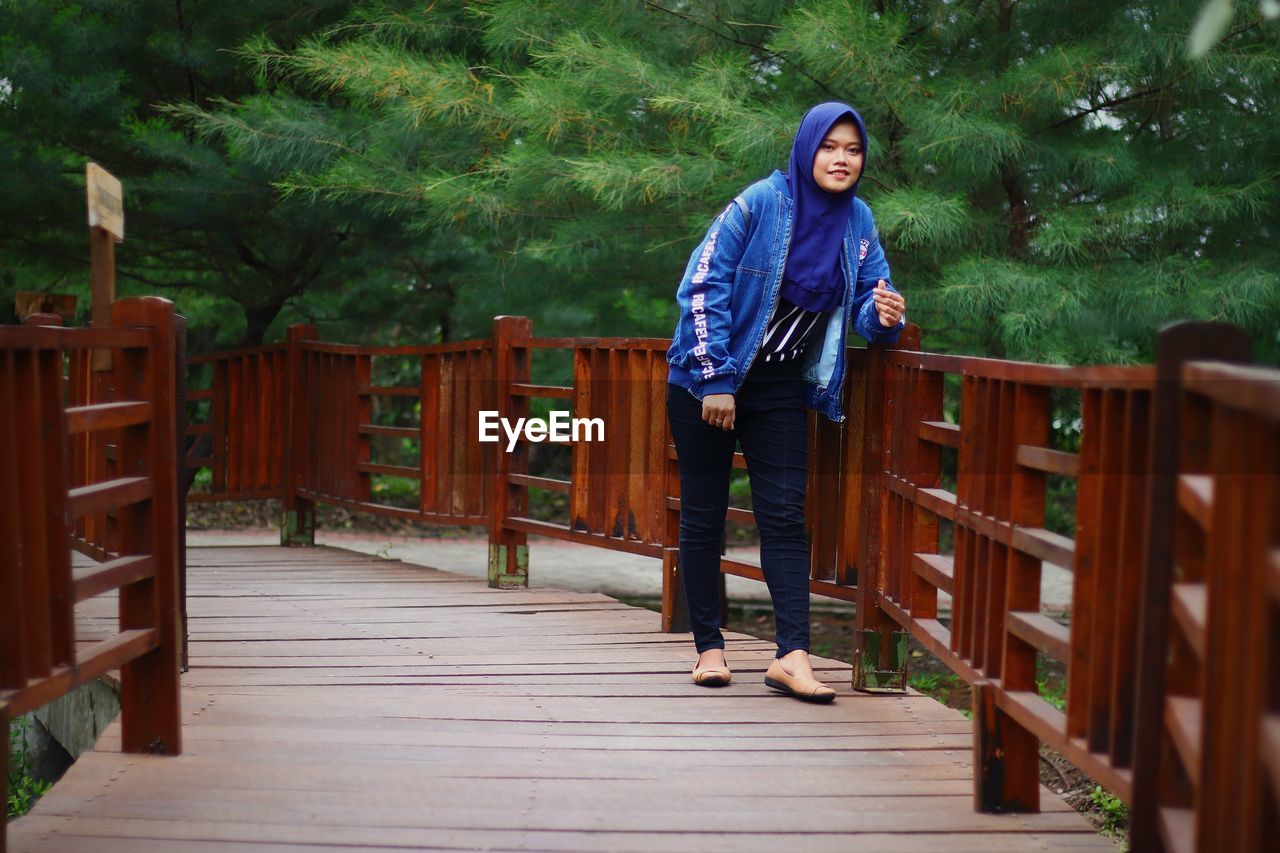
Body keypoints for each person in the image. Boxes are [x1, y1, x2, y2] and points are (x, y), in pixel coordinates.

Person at [665, 102, 907, 703]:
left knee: (785, 519)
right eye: (830, 147)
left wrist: (884, 317)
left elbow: (869, 303)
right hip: (705, 378)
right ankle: (709, 649)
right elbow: (702, 283)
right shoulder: (760, 203)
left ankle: (791, 657)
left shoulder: (858, 222)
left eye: (853, 150)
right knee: (704, 514)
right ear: (807, 150)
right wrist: (717, 378)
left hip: (779, 387)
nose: (841, 159)